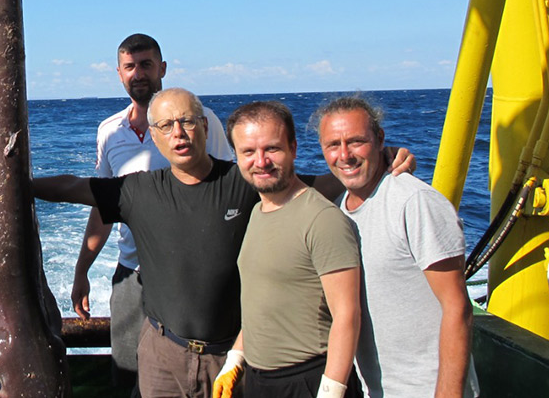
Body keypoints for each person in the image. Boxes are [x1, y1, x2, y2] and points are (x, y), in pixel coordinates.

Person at [35, 88, 255, 398]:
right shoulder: (140, 191)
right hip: (163, 355)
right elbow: (73, 187)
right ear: (154, 135)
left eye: (187, 121)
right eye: (166, 125)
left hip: (231, 354)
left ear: (205, 126)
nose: (178, 133)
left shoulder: (245, 184)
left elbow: (306, 188)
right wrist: (18, 184)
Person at [72, 34, 235, 395]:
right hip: (132, 275)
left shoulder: (199, 121)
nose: (138, 74)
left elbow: (231, 189)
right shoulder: (109, 132)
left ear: (162, 68)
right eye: (130, 67)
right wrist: (82, 269)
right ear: (119, 74)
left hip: (192, 277)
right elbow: (104, 206)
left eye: (146, 64)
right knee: (128, 379)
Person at [314, 96, 477, 398]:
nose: (345, 155)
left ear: (380, 140)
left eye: (357, 141)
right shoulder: (338, 210)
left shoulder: (414, 202)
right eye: (333, 145)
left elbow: (458, 308)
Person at [225, 101, 362, 398]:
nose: (260, 161)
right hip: (260, 380)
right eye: (248, 152)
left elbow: (347, 315)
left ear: (294, 149)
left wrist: (332, 388)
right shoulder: (257, 213)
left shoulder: (322, 218)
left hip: (309, 378)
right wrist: (235, 357)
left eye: (272, 149)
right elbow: (263, 304)